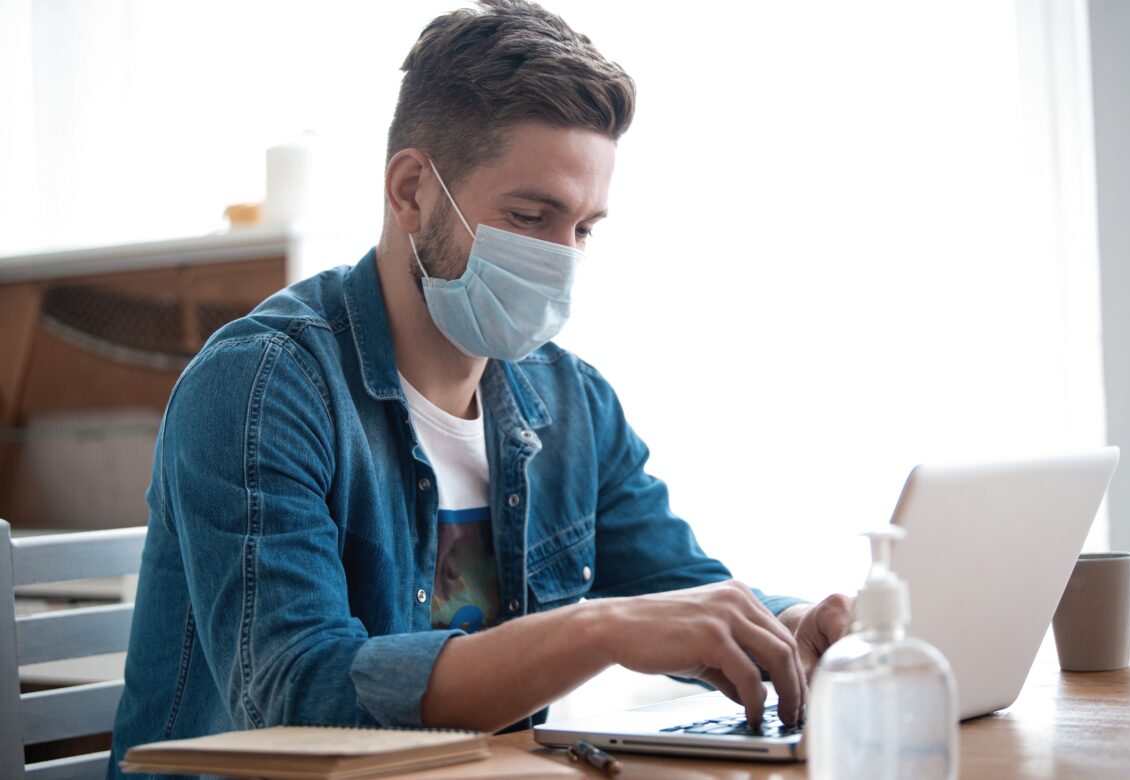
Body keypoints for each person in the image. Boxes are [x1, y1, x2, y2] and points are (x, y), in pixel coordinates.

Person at [109, 1, 851, 775]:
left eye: (585, 228)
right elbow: (299, 695)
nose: (563, 260)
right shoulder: (260, 386)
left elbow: (681, 593)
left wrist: (793, 625)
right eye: (532, 216)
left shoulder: (570, 403)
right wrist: (595, 631)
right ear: (411, 192)